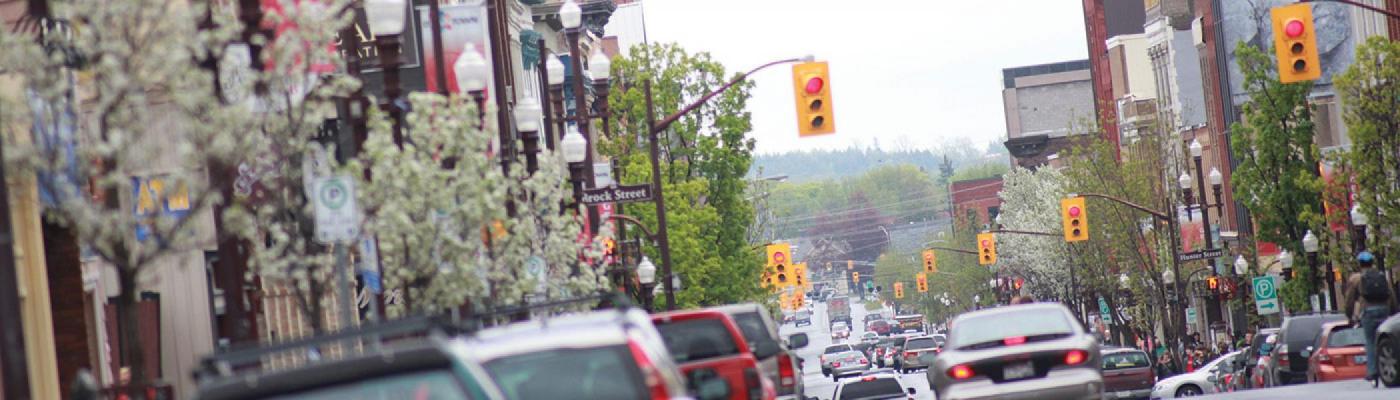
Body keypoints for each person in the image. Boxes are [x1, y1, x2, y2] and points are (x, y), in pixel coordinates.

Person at [1342, 251, 1398, 387]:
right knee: (1383, 340)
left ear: (1360, 264)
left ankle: (1372, 372)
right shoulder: (1381, 276)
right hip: (1384, 311)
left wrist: (1349, 316)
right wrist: (1393, 313)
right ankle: (1387, 366)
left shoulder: (1356, 278)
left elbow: (1349, 300)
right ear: (1372, 262)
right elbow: (1391, 295)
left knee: (1370, 341)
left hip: (1368, 312)